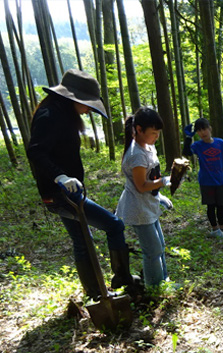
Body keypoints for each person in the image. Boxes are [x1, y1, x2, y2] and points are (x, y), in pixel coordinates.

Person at [26, 69, 142, 300]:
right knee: (115, 225)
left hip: (63, 193)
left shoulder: (62, 114)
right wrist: (60, 177)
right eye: (86, 104)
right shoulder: (50, 115)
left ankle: (95, 293)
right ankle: (122, 280)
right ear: (72, 97)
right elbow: (36, 152)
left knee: (81, 240)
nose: (88, 109)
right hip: (61, 194)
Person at [115, 107, 172, 289]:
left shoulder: (148, 146)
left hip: (149, 203)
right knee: (152, 250)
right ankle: (154, 288)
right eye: (153, 133)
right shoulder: (136, 155)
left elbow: (150, 177)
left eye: (158, 133)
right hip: (138, 208)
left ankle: (163, 281)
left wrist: (159, 193)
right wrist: (163, 182)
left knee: (160, 246)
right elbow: (141, 186)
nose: (156, 137)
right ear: (139, 130)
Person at [189, 118, 223, 238]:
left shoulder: (219, 142)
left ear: (210, 128)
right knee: (211, 205)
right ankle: (215, 230)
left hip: (220, 179)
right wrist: (187, 137)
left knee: (221, 205)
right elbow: (186, 152)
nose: (202, 133)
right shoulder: (197, 145)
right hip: (206, 181)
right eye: (199, 131)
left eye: (204, 129)